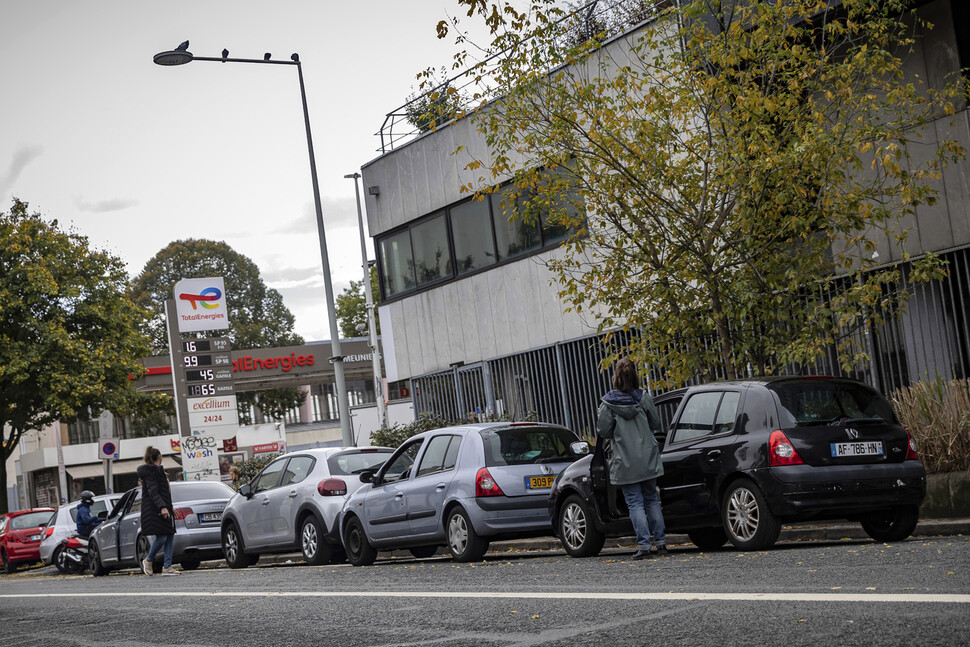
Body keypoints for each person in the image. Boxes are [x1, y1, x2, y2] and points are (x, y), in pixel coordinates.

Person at [596, 357, 667, 560]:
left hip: (625, 460)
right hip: (647, 456)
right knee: (652, 499)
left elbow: (604, 431)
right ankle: (661, 543)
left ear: (615, 377)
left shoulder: (608, 403)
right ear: (635, 375)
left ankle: (644, 546)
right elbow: (655, 421)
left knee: (634, 503)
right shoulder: (643, 397)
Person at [136, 446, 178, 576]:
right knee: (162, 537)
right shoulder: (152, 471)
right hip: (155, 509)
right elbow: (153, 492)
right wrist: (163, 507)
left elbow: (163, 492)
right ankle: (148, 560)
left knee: (169, 534)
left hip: (162, 508)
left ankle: (167, 566)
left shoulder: (157, 471)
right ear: (159, 457)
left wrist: (170, 507)